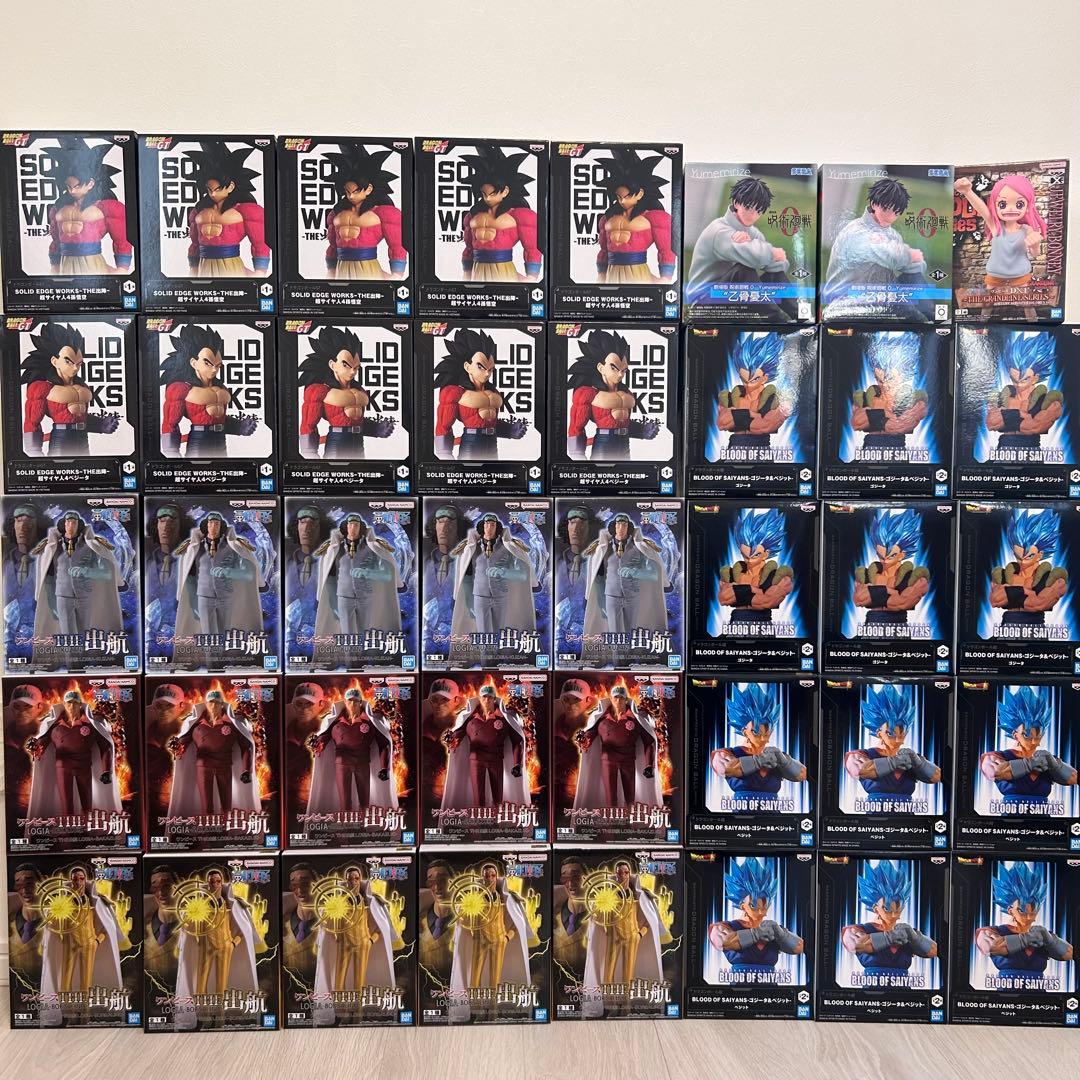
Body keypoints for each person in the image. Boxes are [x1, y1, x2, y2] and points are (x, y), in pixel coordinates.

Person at [686, 176, 795, 318]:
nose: (753, 215)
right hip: (704, 304)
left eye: (758, 211)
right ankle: (777, 321)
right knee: (743, 271)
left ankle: (802, 317)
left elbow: (777, 266)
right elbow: (758, 257)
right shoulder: (719, 231)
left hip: (731, 296)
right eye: (748, 208)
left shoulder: (753, 233)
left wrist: (764, 252)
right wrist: (771, 253)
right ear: (736, 203)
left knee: (773, 275)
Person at [822, 177, 929, 320]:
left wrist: (913, 261)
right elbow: (885, 254)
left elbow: (911, 265)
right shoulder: (855, 231)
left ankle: (935, 318)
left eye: (896, 213)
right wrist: (909, 256)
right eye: (885, 209)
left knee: (914, 278)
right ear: (873, 204)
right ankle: (928, 320)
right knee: (910, 312)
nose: (890, 217)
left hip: (878, 298)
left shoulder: (893, 235)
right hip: (846, 301)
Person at [448, 861, 534, 1021]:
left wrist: (507, 937)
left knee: (495, 980)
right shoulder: (475, 898)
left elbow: (518, 922)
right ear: (483, 878)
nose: (489, 878)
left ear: (496, 877)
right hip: (479, 940)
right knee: (474, 980)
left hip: (498, 941)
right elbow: (464, 919)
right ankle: (477, 1012)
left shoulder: (506, 898)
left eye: (492, 875)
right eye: (486, 876)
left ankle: (493, 1012)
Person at [39, 864, 123, 1026]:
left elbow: (108, 925)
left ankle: (85, 1015)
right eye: (75, 879)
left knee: (86, 983)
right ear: (71, 881)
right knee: (65, 983)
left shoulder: (96, 901)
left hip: (88, 944)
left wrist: (97, 941)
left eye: (81, 879)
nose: (78, 882)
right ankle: (68, 1014)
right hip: (69, 945)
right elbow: (53, 923)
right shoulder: (63, 901)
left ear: (85, 880)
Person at [20, 321, 119, 457]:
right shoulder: (43, 388)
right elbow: (32, 421)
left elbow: (79, 416)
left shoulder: (83, 386)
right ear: (54, 361)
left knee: (85, 469)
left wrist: (101, 425)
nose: (75, 368)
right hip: (61, 439)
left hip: (83, 439)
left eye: (79, 363)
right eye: (68, 362)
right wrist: (33, 450)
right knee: (60, 469)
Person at [581, 858, 666, 1017]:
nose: (622, 876)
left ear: (629, 874)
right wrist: (596, 909)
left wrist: (640, 934)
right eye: (619, 873)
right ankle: (609, 1006)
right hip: (613, 937)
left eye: (626, 872)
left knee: (628, 976)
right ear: (616, 874)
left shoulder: (639, 895)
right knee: (607, 975)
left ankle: (626, 1007)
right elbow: (599, 915)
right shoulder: (609, 894)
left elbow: (650, 919)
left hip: (631, 937)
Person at [174, 867, 258, 1028]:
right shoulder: (200, 904)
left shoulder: (232, 904)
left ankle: (219, 1019)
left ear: (222, 883)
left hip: (224, 946)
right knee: (200, 986)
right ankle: (203, 1018)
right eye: (212, 882)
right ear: (208, 883)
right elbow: (189, 924)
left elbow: (244, 927)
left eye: (218, 881)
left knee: (221, 986)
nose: (215, 884)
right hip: (205, 947)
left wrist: (233, 943)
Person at [449, 513, 538, 665]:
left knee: (498, 634)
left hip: (500, 596)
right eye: (486, 524)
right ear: (481, 527)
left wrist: (504, 572)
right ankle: (486, 666)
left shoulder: (509, 547)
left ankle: (495, 666)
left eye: (493, 525)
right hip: (479, 597)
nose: (489, 528)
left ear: (497, 527)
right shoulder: (472, 548)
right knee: (484, 636)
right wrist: (469, 601)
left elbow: (523, 574)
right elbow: (467, 577)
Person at [955, 173, 1047, 318]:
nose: (1010, 209)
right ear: (995, 205)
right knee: (987, 305)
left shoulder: (1027, 229)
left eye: (1019, 204)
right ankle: (981, 326)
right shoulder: (995, 227)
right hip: (995, 275)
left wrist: (1035, 243)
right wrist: (967, 191)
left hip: (1020, 275)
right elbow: (981, 209)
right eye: (1002, 204)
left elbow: (1035, 254)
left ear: (1028, 206)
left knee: (1028, 305)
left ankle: (1035, 326)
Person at [159, 324, 257, 459]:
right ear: (194, 363)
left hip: (221, 441)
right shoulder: (181, 389)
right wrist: (171, 453)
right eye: (208, 363)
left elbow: (217, 418)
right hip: (198, 442)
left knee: (222, 471)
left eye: (218, 365)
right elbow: (170, 423)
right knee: (198, 471)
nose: (214, 369)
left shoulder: (221, 388)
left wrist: (239, 427)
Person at [297, 326, 395, 460]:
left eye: (356, 367)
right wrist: (309, 453)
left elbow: (355, 421)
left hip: (358, 443)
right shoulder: (320, 391)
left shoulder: (359, 390)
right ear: (332, 365)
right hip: (337, 443)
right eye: (346, 365)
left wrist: (376, 429)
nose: (353, 371)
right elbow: (308, 424)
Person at [582, 513, 668, 665]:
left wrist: (636, 572)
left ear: (629, 527)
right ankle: (618, 664)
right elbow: (598, 576)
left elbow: (653, 572)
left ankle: (627, 663)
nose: (621, 528)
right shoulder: (603, 548)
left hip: (632, 595)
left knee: (630, 631)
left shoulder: (640, 547)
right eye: (618, 524)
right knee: (614, 633)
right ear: (613, 527)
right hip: (611, 595)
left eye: (624, 525)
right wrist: (597, 599)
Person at [174, 511, 265, 655]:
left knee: (224, 634)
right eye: (210, 523)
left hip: (226, 596)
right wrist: (190, 600)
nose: (213, 527)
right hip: (203, 596)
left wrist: (228, 572)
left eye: (217, 524)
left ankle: (222, 662)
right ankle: (212, 664)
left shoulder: (234, 547)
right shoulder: (194, 548)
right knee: (208, 636)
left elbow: (248, 574)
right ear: (205, 526)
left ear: (221, 526)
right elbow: (189, 577)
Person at [32, 509, 124, 647]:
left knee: (83, 634)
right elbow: (48, 577)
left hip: (84, 595)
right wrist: (50, 601)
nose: (70, 525)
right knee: (68, 637)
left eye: (74, 522)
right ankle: (71, 661)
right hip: (62, 596)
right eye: (68, 522)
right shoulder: (53, 547)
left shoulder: (91, 546)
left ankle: (81, 660)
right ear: (63, 524)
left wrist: (86, 571)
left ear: (78, 525)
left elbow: (106, 573)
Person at [433, 327, 527, 461]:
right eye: (481, 367)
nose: (487, 373)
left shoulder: (493, 392)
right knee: (469, 473)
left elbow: (489, 421)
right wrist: (444, 453)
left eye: (491, 369)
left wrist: (509, 430)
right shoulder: (455, 392)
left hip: (492, 443)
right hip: (471, 443)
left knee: (493, 473)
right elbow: (443, 425)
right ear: (467, 366)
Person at [313, 865, 398, 1012]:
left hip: (363, 944)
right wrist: (335, 935)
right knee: (338, 981)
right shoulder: (339, 901)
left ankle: (357, 1013)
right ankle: (339, 1012)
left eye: (356, 878)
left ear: (360, 880)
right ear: (346, 881)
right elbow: (328, 921)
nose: (353, 881)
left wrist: (371, 940)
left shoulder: (370, 901)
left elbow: (382, 925)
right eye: (350, 879)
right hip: (344, 944)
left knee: (359, 982)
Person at [25, 688, 119, 820]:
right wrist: (35, 748)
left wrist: (106, 771)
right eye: (69, 703)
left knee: (87, 802)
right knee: (66, 804)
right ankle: (68, 829)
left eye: (75, 703)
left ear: (80, 704)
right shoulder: (55, 725)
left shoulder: (90, 725)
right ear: (64, 704)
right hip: (63, 767)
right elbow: (43, 743)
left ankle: (87, 825)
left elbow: (106, 746)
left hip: (84, 766)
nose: (71, 706)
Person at [566, 329, 659, 461]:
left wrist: (641, 431)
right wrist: (577, 453)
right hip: (604, 444)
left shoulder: (626, 393)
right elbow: (576, 426)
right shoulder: (588, 393)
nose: (620, 374)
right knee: (602, 473)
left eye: (624, 370)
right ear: (600, 367)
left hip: (624, 443)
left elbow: (622, 422)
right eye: (614, 368)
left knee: (625, 473)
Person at [44, 137, 132, 275]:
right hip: (64, 264)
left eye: (77, 186)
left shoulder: (108, 207)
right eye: (69, 186)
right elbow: (56, 241)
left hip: (93, 264)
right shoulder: (58, 208)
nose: (72, 191)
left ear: (91, 183)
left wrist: (122, 268)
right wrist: (54, 265)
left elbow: (121, 239)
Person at [166, 689, 258, 817]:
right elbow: (183, 743)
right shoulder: (196, 724)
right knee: (206, 806)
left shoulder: (232, 724)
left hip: (224, 766)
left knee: (226, 805)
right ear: (206, 704)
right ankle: (208, 828)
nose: (213, 705)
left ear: (222, 704)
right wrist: (176, 748)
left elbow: (246, 747)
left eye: (217, 702)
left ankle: (225, 827)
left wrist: (246, 770)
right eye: (210, 702)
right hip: (203, 767)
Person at [981, 686, 1077, 809]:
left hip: (1043, 819)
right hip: (1010, 818)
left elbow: (1074, 778)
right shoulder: (996, 756)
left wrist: (1056, 765)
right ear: (1015, 735)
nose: (1033, 741)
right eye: (1026, 735)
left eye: (1038, 735)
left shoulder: (1047, 759)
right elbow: (995, 772)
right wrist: (1030, 763)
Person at [711, 683, 805, 807]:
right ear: (745, 731)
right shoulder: (727, 753)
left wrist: (785, 761)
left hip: (774, 816)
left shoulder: (776, 755)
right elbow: (726, 768)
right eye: (756, 732)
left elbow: (802, 775)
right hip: (741, 816)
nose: (762, 738)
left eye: (767, 732)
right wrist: (760, 760)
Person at [183, 142, 270, 277]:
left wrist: (260, 271)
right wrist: (193, 268)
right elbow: (195, 243)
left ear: (231, 186)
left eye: (218, 189)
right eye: (209, 189)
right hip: (203, 266)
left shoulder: (247, 211)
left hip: (231, 266)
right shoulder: (198, 212)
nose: (213, 194)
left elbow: (259, 242)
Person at [841, 860, 937, 982]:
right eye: (887, 909)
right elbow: (856, 945)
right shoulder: (857, 930)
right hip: (871, 991)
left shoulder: (907, 932)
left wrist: (916, 938)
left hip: (904, 991)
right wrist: (890, 937)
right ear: (876, 908)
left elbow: (934, 951)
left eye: (898, 908)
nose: (893, 914)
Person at [306, 687, 397, 814]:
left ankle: (363, 823)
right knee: (345, 802)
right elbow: (324, 738)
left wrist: (384, 767)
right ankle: (346, 824)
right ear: (345, 702)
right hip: (342, 764)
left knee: (364, 801)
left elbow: (384, 744)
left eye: (356, 701)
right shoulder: (335, 722)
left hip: (362, 763)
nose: (352, 704)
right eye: (349, 700)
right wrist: (317, 744)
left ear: (360, 702)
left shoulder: (370, 722)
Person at [846, 684, 940, 806]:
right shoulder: (861, 754)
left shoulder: (911, 757)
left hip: (907, 815)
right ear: (879, 733)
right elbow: (860, 770)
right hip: (875, 814)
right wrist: (894, 761)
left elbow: (936, 777)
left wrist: (919, 763)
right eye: (890, 733)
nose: (897, 739)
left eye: (902, 733)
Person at [708, 858, 803, 979]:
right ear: (742, 905)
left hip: (770, 988)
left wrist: (782, 935)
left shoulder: (773, 929)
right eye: (754, 906)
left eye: (764, 906)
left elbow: (799, 947)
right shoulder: (724, 927)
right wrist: (757, 933)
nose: (760, 911)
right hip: (739, 988)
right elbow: (724, 941)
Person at [976, 862, 1073, 980]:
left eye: (1033, 911)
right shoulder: (993, 931)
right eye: (1022, 911)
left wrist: (1051, 940)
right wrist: (1027, 938)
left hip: (1039, 991)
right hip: (1006, 991)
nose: (1028, 917)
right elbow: (991, 947)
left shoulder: (1043, 935)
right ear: (1010, 910)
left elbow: (1069, 954)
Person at [313, 513, 402, 640]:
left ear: (361, 528)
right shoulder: (335, 548)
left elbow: (387, 571)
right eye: (350, 525)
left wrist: (368, 573)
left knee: (364, 632)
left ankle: (363, 653)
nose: (353, 528)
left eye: (356, 525)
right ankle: (350, 654)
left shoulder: (372, 547)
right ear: (346, 527)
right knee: (347, 635)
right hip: (343, 596)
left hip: (365, 595)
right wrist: (323, 598)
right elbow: (327, 575)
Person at [460, 142, 541, 281]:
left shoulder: (520, 216)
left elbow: (532, 248)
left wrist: (532, 277)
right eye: (484, 194)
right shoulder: (472, 216)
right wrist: (466, 274)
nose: (488, 198)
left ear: (505, 191)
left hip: (504, 270)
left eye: (492, 194)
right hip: (477, 270)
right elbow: (468, 248)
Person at [323, 145, 406, 280]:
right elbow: (333, 245)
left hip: (368, 268)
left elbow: (396, 245)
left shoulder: (384, 213)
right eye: (347, 191)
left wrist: (397, 274)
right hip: (341, 268)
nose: (351, 196)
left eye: (356, 191)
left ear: (368, 189)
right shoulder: (336, 213)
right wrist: (331, 270)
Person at [440, 684, 529, 809]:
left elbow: (517, 741)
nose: (487, 700)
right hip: (476, 760)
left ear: (494, 699)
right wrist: (450, 740)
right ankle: (479, 818)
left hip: (496, 759)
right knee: (478, 796)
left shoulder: (504, 718)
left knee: (498, 796)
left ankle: (497, 817)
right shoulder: (470, 717)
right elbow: (458, 735)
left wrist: (517, 763)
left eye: (490, 697)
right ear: (480, 699)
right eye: (484, 697)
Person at [573, 684, 661, 809]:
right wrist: (583, 741)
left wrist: (649, 765)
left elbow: (649, 742)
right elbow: (589, 736)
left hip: (628, 760)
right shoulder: (601, 718)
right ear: (611, 699)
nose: (618, 701)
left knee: (630, 796)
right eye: (615, 697)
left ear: (626, 699)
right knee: (610, 796)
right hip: (608, 760)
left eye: (621, 698)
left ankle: (630, 817)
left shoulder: (636, 719)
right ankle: (611, 819)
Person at [594, 148, 675, 284]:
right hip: (611, 273)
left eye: (627, 196)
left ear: (640, 194)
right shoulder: (606, 219)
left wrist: (666, 278)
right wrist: (601, 274)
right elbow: (603, 250)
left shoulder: (654, 218)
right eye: (619, 197)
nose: (622, 201)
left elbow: (666, 250)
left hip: (638, 273)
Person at [850, 333, 929, 458]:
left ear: (903, 375)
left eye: (890, 379)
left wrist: (872, 416)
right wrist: (885, 415)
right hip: (869, 451)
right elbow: (856, 423)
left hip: (895, 453)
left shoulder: (915, 397)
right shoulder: (867, 395)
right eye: (879, 380)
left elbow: (900, 426)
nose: (884, 385)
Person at [990, 508, 1068, 632]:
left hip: (1035, 634)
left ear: (1040, 555)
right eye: (1018, 556)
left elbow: (1039, 604)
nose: (1022, 561)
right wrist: (1026, 591)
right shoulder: (1004, 575)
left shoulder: (1053, 579)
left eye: (1028, 556)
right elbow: (995, 600)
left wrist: (1009, 593)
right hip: (1007, 632)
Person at [984, 333, 1062, 455]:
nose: (1018, 385)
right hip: (1003, 452)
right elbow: (991, 424)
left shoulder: (1050, 402)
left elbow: (1034, 427)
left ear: (1036, 378)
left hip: (1031, 454)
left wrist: (1005, 417)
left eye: (1024, 380)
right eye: (1014, 379)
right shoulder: (1001, 397)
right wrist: (1020, 414)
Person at [853, 508, 929, 633]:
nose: (884, 560)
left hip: (898, 630)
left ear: (902, 555)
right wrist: (890, 592)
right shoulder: (866, 574)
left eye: (891, 556)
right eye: (880, 555)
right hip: (871, 628)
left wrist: (873, 593)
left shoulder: (915, 578)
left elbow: (902, 604)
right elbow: (859, 600)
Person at [713, 333, 790, 454]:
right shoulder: (730, 397)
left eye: (754, 380)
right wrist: (753, 416)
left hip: (761, 454)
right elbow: (722, 424)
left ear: (764, 378)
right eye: (744, 380)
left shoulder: (775, 400)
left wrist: (736, 416)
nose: (748, 385)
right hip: (734, 452)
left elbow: (766, 426)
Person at [717, 507, 793, 628]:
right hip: (736, 626)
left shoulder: (779, 577)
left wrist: (737, 591)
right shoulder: (730, 574)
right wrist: (753, 589)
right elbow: (723, 599)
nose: (749, 560)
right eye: (745, 555)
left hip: (763, 628)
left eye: (755, 555)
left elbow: (767, 602)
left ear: (766, 554)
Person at [281, 862, 318, 985]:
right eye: (294, 884)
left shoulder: (329, 925)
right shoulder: (282, 923)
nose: (300, 890)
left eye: (305, 883)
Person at [9, 863, 44, 987]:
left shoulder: (54, 924)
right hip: (18, 990)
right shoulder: (9, 921)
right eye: (19, 884)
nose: (24, 889)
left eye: (29, 883)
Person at [144, 864, 180, 983]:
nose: (161, 892)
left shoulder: (191, 927)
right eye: (155, 886)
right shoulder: (144, 924)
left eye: (166, 885)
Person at [553, 856, 590, 972]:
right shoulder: (554, 913)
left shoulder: (598, 918)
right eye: (565, 877)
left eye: (575, 876)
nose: (570, 882)